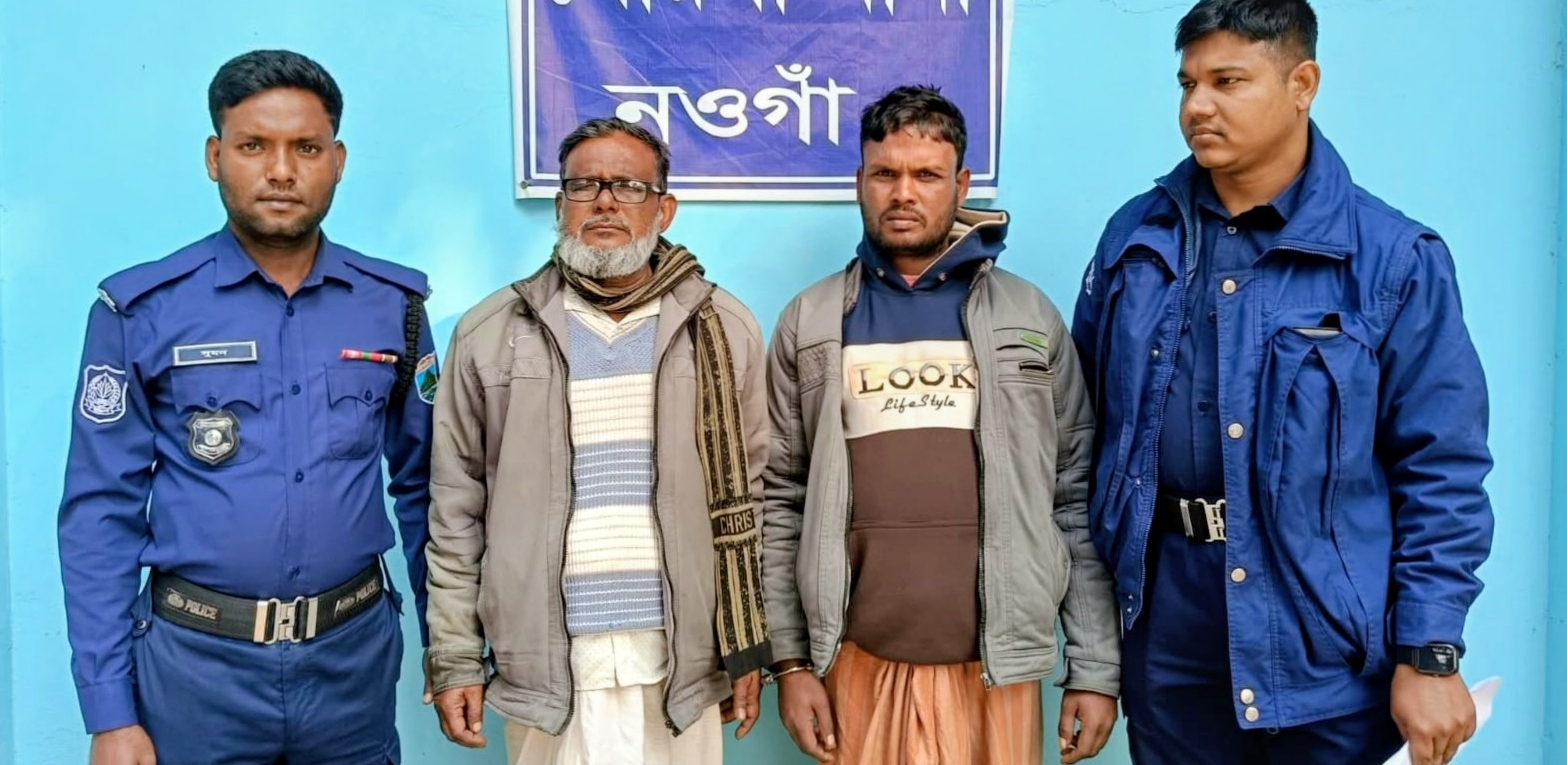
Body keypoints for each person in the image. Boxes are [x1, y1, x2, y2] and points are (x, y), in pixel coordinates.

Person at [1072, 0, 1493, 765]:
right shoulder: (1135, 241)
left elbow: (1441, 467)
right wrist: (1095, 653)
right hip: (1169, 645)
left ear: (1302, 84)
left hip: (1325, 651)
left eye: (1227, 81)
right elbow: (1087, 437)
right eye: (1187, 84)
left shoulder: (1390, 258)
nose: (1197, 105)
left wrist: (1429, 651)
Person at [58, 49, 436, 765]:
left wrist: (450, 652)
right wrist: (109, 711)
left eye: (307, 148)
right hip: (195, 671)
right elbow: (100, 513)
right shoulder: (141, 309)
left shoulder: (395, 307)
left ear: (338, 160)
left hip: (351, 666)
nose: (282, 171)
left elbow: (427, 492)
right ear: (215, 157)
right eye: (254, 146)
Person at [762, 85, 1121, 765]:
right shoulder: (812, 322)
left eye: (926, 175)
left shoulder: (1028, 317)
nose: (903, 193)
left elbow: (1073, 497)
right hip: (855, 661)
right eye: (885, 173)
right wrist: (790, 662)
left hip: (997, 668)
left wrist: (1095, 668)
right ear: (859, 182)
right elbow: (779, 499)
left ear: (959, 185)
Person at [424, 117, 771, 765]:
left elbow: (754, 501)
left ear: (664, 208)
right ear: (560, 206)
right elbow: (454, 513)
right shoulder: (492, 333)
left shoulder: (723, 328)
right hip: (547, 666)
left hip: (682, 663)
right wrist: (454, 656)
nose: (605, 202)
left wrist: (748, 646)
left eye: (629, 187)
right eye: (585, 186)